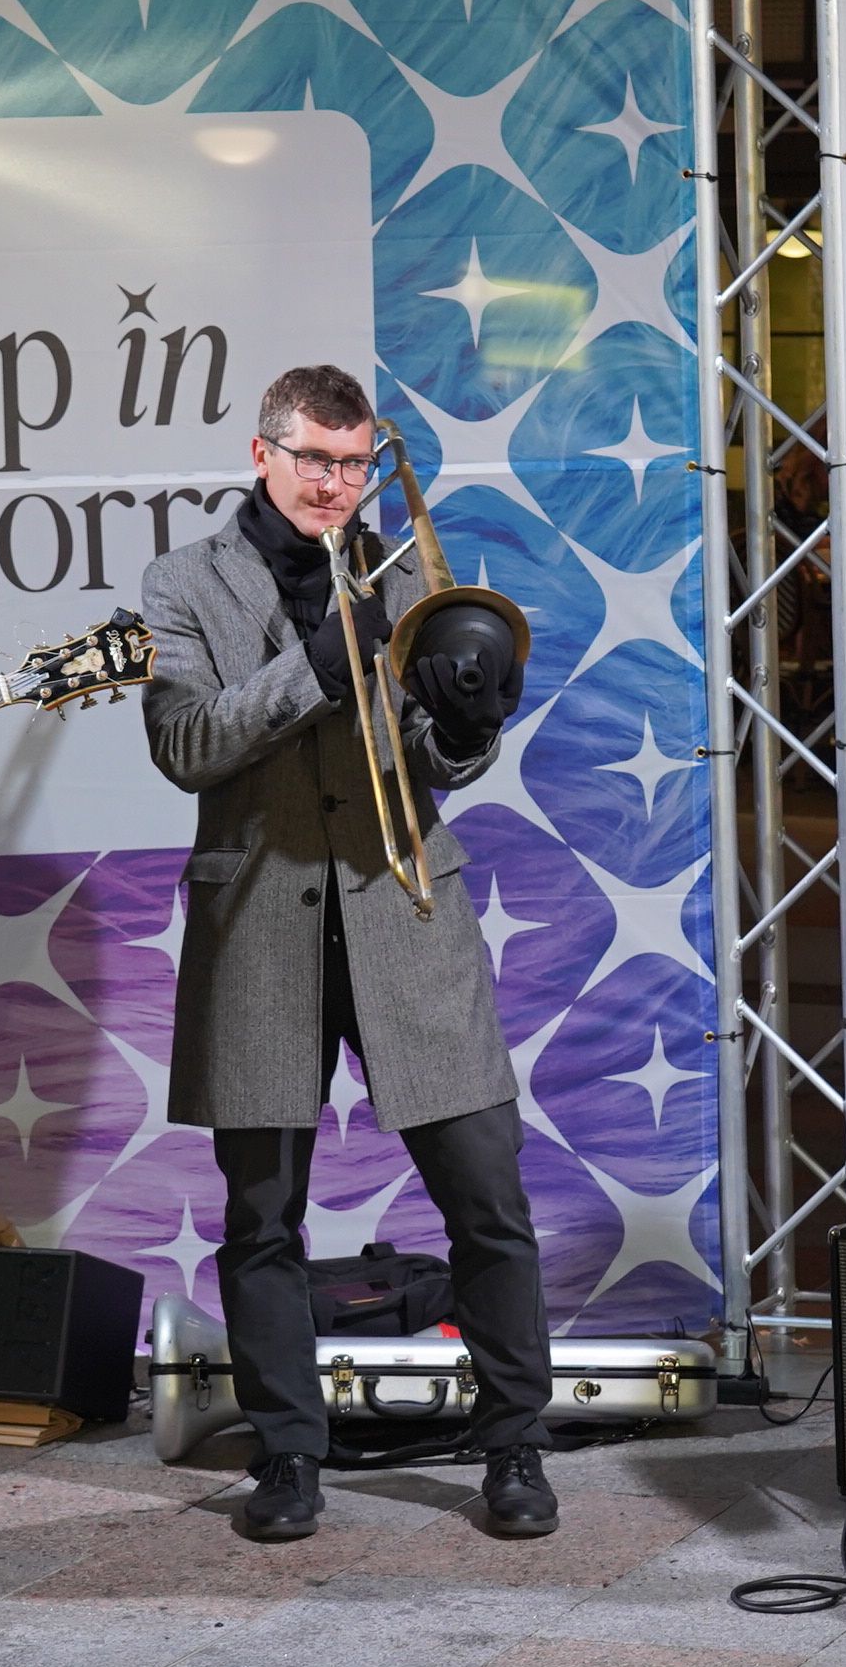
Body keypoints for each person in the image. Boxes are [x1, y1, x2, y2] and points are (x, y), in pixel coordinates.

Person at [139, 362, 556, 1545]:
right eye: (314, 457)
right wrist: (324, 659)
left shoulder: (401, 568)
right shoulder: (182, 583)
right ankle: (287, 1455)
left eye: (355, 461)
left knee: (488, 1194)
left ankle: (516, 1443)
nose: (335, 482)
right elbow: (187, 742)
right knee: (261, 1215)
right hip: (260, 917)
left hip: (403, 914)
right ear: (261, 452)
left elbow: (434, 756)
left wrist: (468, 723)